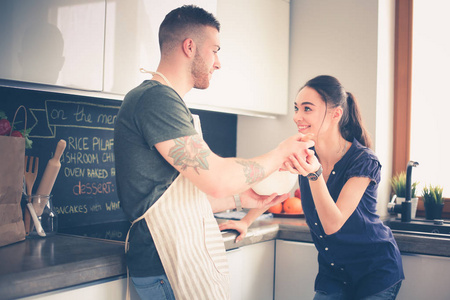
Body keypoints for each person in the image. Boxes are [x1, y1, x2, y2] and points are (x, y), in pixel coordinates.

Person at [114, 5, 313, 300]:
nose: (218, 63)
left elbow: (173, 198)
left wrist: (241, 199)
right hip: (166, 266)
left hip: (173, 262)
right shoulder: (156, 100)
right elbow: (216, 177)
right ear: (190, 47)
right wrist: (279, 154)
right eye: (215, 50)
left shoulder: (168, 101)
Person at [220, 75, 404, 300]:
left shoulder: (363, 161)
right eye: (296, 108)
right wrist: (246, 221)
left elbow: (332, 223)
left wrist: (314, 174)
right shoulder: (302, 151)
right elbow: (277, 190)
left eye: (307, 109)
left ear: (336, 114)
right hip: (333, 273)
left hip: (375, 272)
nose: (297, 117)